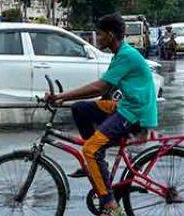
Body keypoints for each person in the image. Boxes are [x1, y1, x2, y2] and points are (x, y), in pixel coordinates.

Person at [47, 14, 158, 216]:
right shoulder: (120, 53)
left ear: (110, 35)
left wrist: (62, 95)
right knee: (80, 108)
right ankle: (97, 161)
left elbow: (101, 87)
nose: (97, 39)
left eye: (99, 35)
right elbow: (107, 89)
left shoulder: (126, 55)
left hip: (135, 113)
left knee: (89, 149)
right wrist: (67, 101)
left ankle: (111, 205)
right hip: (125, 106)